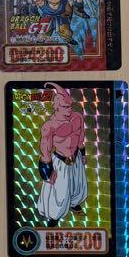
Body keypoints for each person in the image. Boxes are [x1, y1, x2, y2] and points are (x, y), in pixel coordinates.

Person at [36, 84, 88, 224]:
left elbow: (80, 136)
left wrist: (83, 153)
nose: (69, 110)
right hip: (60, 162)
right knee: (59, 193)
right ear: (56, 107)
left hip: (76, 157)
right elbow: (45, 149)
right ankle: (54, 218)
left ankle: (74, 205)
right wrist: (47, 172)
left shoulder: (77, 117)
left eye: (70, 106)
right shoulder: (49, 126)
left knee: (78, 186)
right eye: (65, 107)